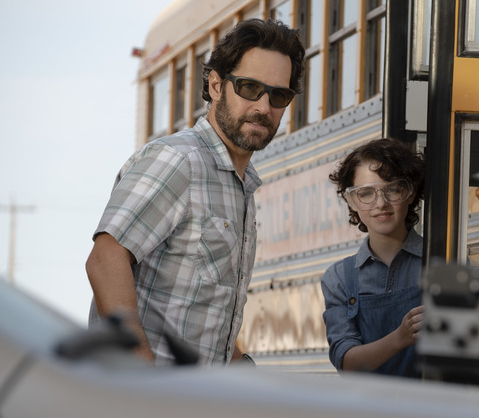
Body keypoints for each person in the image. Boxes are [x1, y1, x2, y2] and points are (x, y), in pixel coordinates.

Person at [85, 19, 305, 366]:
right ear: (216, 85)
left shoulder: (240, 185)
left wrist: (239, 368)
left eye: (278, 95)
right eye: (249, 87)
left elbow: (200, 307)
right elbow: (106, 259)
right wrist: (139, 372)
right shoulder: (178, 160)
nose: (264, 107)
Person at [320, 138, 425, 377]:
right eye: (366, 193)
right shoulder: (339, 278)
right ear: (352, 201)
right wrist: (400, 338)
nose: (381, 203)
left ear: (410, 193)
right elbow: (346, 362)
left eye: (393, 189)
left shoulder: (444, 262)